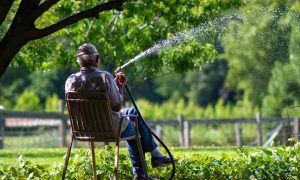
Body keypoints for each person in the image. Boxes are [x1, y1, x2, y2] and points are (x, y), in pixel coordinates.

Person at [65, 43, 176, 180]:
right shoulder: (105, 77)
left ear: (78, 61)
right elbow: (116, 107)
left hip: (83, 130)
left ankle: (153, 158)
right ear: (97, 59)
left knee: (131, 112)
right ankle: (145, 168)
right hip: (110, 129)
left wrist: (114, 85)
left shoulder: (71, 80)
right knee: (134, 123)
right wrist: (119, 86)